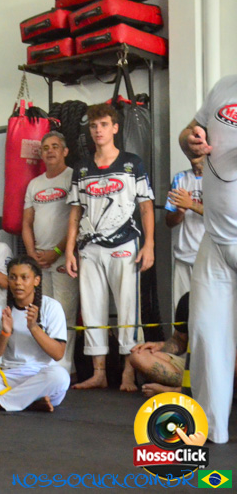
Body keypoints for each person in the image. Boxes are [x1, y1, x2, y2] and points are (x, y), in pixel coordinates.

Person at [65, 103, 154, 392]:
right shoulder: (81, 167)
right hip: (89, 246)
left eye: (103, 124)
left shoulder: (132, 163)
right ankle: (99, 372)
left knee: (128, 309)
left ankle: (129, 372)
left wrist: (149, 244)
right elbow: (75, 211)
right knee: (92, 309)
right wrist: (69, 250)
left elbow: (146, 206)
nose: (98, 130)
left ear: (115, 128)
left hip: (125, 242)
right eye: (93, 126)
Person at [180, 76, 237, 443]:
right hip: (215, 237)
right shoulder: (224, 87)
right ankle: (211, 429)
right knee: (205, 332)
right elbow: (188, 133)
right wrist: (192, 140)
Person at [0, 256, 70, 413]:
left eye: (24, 277)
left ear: (36, 280)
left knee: (60, 377)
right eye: (13, 277)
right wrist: (5, 333)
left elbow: (58, 354)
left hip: (40, 375)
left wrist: (34, 328)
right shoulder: (1, 308)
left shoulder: (51, 307)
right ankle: (29, 401)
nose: (18, 283)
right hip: (8, 376)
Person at [22, 131, 77, 374]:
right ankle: (46, 366)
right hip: (39, 260)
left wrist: (57, 251)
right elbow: (26, 223)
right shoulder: (35, 184)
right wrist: (31, 255)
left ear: (65, 151)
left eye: (55, 146)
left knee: (65, 312)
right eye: (45, 148)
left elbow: (77, 220)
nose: (50, 151)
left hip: (64, 257)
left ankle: (65, 367)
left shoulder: (72, 177)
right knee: (42, 312)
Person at [128, 293, 189, 398]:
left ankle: (173, 391)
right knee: (138, 355)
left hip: (217, 369)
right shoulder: (188, 299)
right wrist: (160, 346)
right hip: (194, 366)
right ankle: (188, 388)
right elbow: (179, 341)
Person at [165, 156, 204, 307]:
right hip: (184, 257)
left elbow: (224, 216)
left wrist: (191, 204)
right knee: (182, 311)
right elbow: (169, 221)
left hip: (212, 259)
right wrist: (180, 212)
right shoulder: (180, 178)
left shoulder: (222, 179)